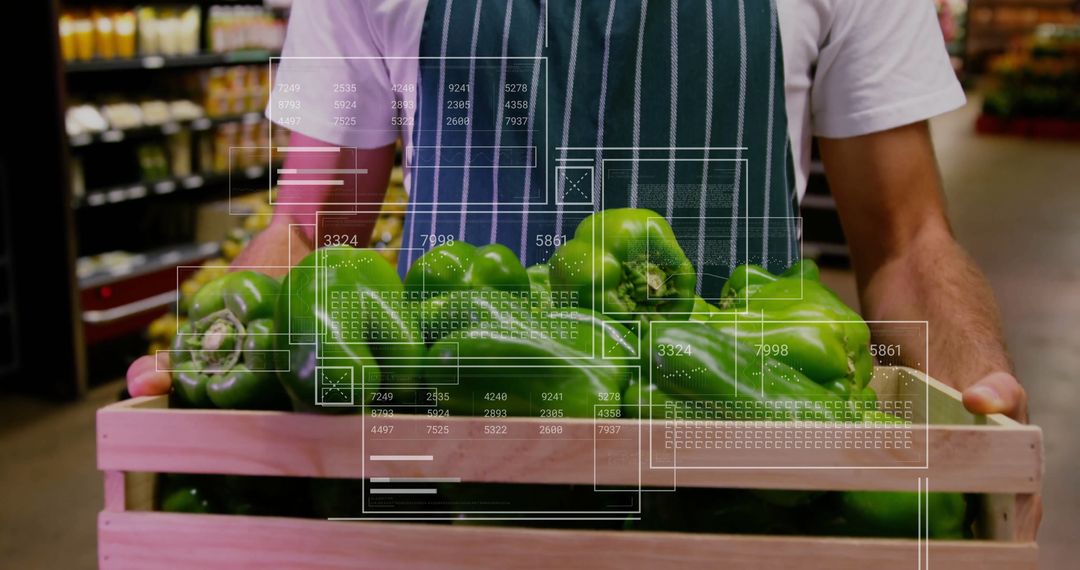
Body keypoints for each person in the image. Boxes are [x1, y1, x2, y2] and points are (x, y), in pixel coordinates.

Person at [128, 0, 1027, 422]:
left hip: (743, 441)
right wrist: (215, 348)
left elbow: (909, 241)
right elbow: (314, 231)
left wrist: (975, 402)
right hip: (442, 456)